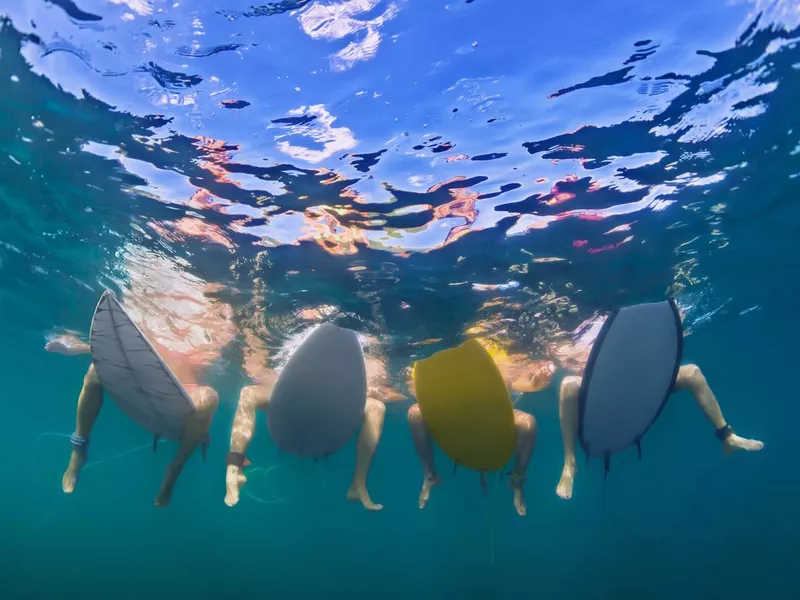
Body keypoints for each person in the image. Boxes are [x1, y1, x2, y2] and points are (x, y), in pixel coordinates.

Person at [46, 250, 236, 506]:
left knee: (210, 397)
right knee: (95, 370)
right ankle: (78, 448)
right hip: (139, 377)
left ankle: (173, 471)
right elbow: (119, 345)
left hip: (184, 392)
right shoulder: (152, 303)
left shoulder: (218, 315)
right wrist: (76, 347)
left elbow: (214, 361)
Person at [553, 313, 764, 500]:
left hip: (641, 382)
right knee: (568, 386)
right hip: (605, 389)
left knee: (692, 373)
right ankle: (569, 463)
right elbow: (566, 362)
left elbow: (668, 339)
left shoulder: (639, 318)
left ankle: (728, 437)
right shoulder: (579, 335)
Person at [224, 315, 407, 512]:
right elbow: (263, 374)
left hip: (337, 410)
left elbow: (393, 394)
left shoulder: (371, 355)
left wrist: (370, 391)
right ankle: (234, 467)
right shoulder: (295, 344)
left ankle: (358, 483)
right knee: (249, 393)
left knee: (377, 407)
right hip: (292, 401)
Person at [406, 337, 556, 516]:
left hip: (492, 416)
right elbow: (419, 390)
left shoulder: (496, 353)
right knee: (415, 413)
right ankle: (430, 475)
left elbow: (514, 382)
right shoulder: (429, 357)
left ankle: (517, 482)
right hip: (453, 414)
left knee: (527, 424)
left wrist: (534, 382)